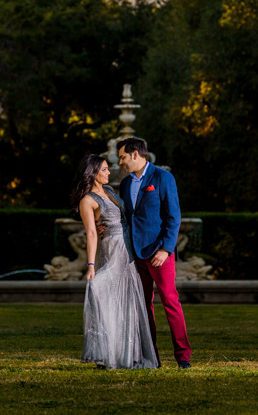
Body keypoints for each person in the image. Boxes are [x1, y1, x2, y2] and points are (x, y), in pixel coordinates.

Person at [74, 154, 158, 370]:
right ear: (92, 172)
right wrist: (91, 266)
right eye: (104, 169)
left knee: (128, 297)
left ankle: (129, 354)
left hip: (128, 248)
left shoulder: (110, 191)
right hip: (113, 248)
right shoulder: (87, 200)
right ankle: (109, 352)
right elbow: (91, 234)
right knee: (106, 295)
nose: (109, 172)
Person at [117, 137, 192, 369]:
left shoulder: (162, 177)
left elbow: (173, 216)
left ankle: (183, 357)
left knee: (171, 302)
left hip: (160, 254)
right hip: (137, 255)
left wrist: (165, 249)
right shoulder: (126, 183)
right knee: (143, 306)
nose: (120, 162)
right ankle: (151, 356)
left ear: (135, 155)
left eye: (122, 157)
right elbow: (127, 218)